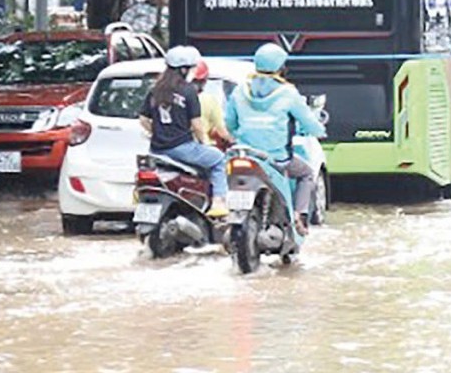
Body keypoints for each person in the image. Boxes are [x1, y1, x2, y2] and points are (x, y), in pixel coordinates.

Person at [224, 43, 326, 235]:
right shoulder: (288, 93)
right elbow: (310, 123)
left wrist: (239, 134)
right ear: (281, 68)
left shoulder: (240, 90)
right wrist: (320, 130)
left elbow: (229, 123)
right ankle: (299, 215)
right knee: (306, 174)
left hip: (245, 155)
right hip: (277, 158)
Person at [139, 46, 229, 218]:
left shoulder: (155, 89)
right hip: (182, 148)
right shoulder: (188, 91)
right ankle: (218, 202)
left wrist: (158, 133)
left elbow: (143, 119)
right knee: (218, 159)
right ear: (183, 69)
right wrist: (204, 143)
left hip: (157, 150)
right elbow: (197, 124)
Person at [188, 59, 234, 147]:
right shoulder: (210, 100)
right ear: (205, 80)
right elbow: (221, 130)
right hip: (203, 146)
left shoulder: (176, 97)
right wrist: (232, 141)